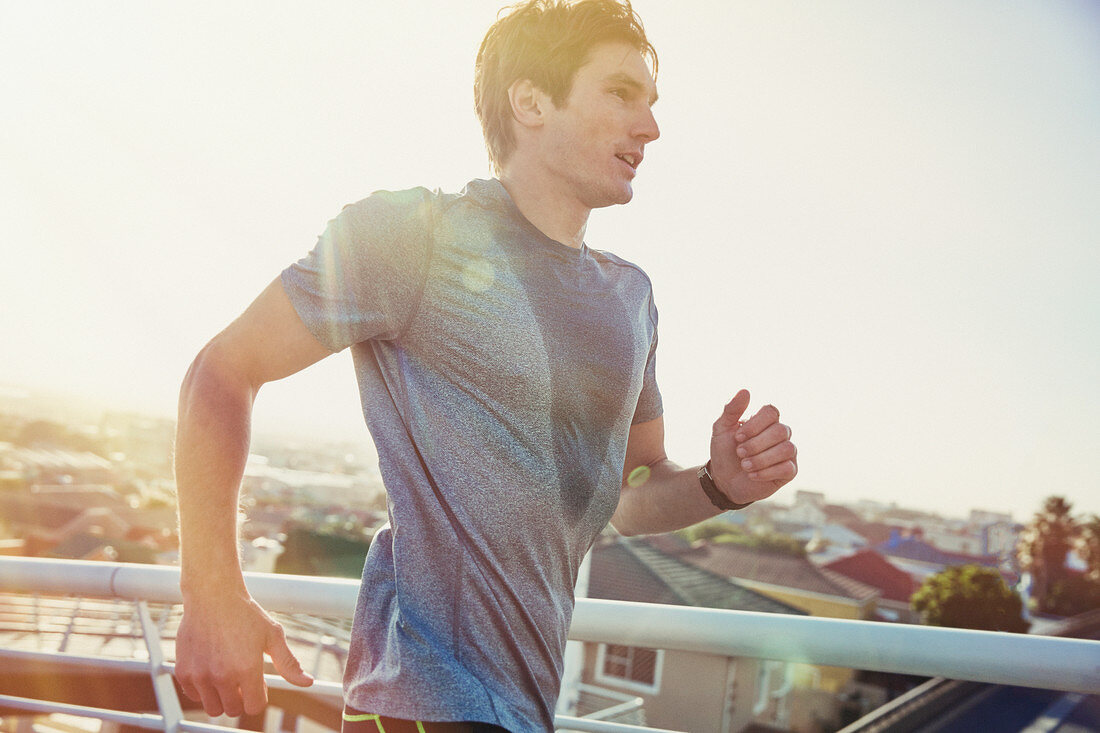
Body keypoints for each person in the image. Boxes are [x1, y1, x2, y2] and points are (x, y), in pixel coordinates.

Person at [172, 1, 798, 731]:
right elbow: (220, 370)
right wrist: (213, 593)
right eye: (621, 94)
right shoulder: (412, 236)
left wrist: (720, 484)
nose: (650, 127)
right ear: (530, 100)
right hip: (414, 705)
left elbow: (626, 495)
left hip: (527, 715)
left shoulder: (632, 299)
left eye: (652, 103)